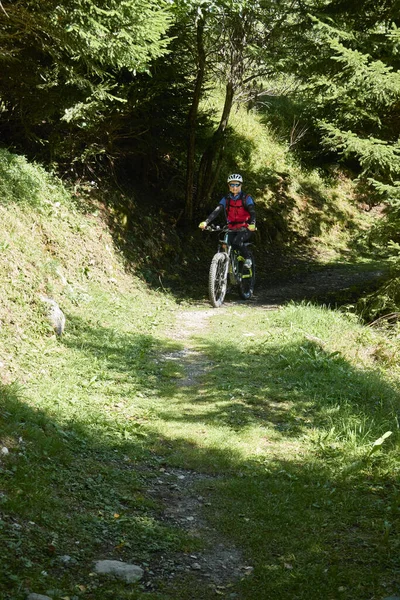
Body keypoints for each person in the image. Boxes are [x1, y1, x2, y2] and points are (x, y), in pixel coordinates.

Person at [199, 173, 256, 268]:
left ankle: (248, 258)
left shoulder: (246, 198)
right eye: (232, 184)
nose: (234, 187)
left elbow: (252, 212)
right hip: (231, 227)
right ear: (229, 186)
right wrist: (206, 222)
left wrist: (253, 224)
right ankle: (227, 267)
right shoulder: (226, 199)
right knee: (225, 243)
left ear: (241, 185)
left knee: (237, 241)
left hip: (245, 227)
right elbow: (217, 210)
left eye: (237, 184)